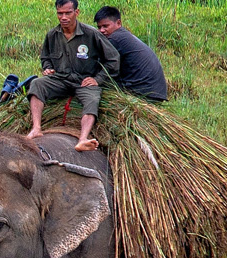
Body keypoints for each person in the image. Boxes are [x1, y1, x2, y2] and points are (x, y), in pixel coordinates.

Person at [26, 0, 120, 152]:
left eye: (68, 13)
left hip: (84, 81)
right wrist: (48, 68)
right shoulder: (52, 35)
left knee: (92, 99)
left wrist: (97, 79)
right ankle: (36, 128)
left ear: (76, 12)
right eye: (60, 13)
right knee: (37, 84)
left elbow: (113, 59)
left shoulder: (91, 34)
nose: (63, 17)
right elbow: (45, 57)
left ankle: (83, 138)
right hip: (61, 79)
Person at [94, 6, 168, 103]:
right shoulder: (123, 36)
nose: (102, 30)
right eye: (99, 27)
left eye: (105, 26)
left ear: (118, 23)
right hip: (156, 92)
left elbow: (98, 65)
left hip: (144, 93)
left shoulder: (115, 39)